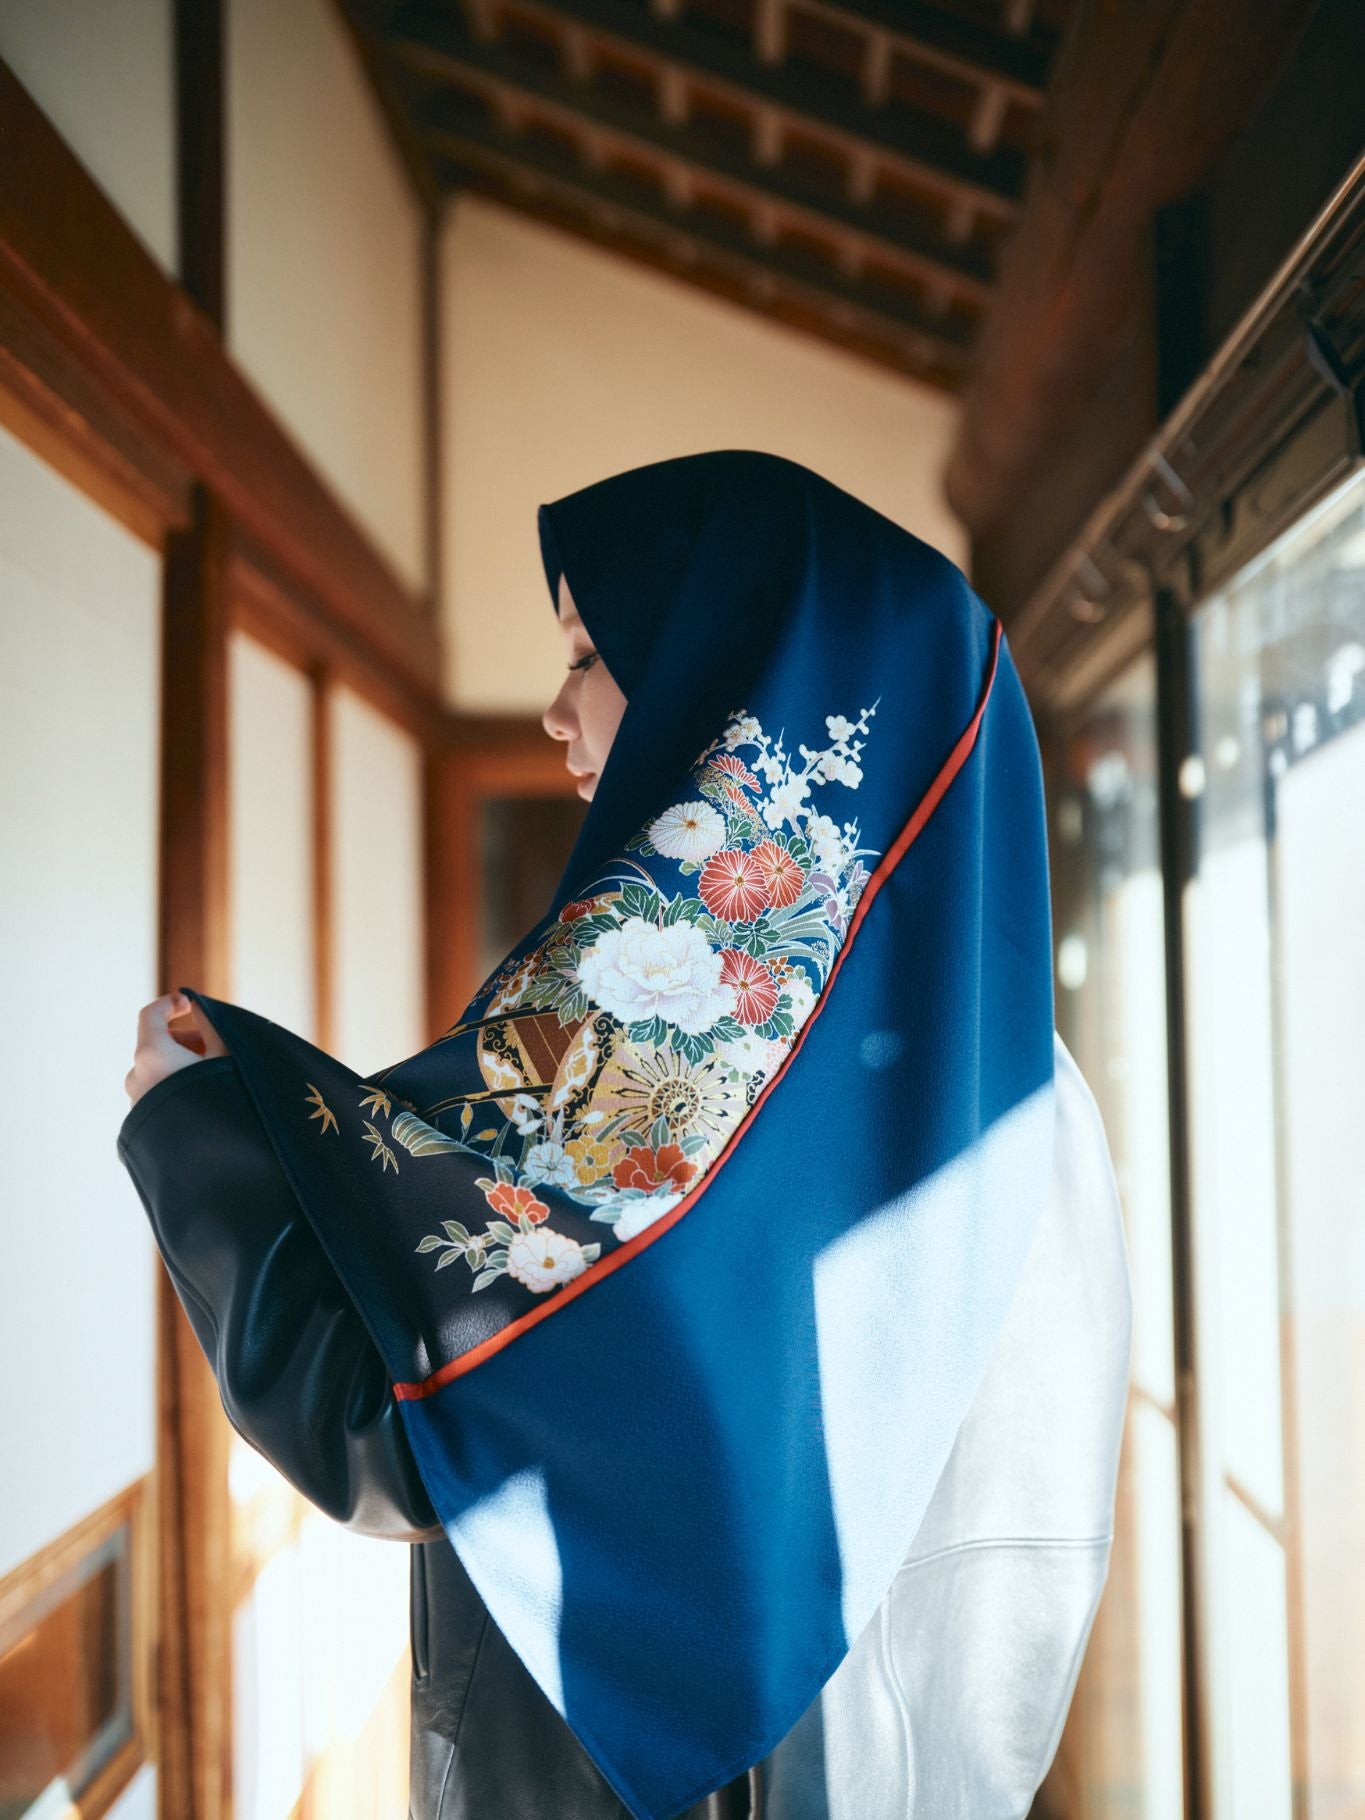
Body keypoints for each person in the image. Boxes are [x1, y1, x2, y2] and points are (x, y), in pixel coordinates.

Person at [119, 451, 1133, 1820]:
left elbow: (401, 1435)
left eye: (593, 652)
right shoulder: (1032, 1087)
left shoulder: (670, 1024)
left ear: (733, 681)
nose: (552, 711)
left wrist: (195, 1137)